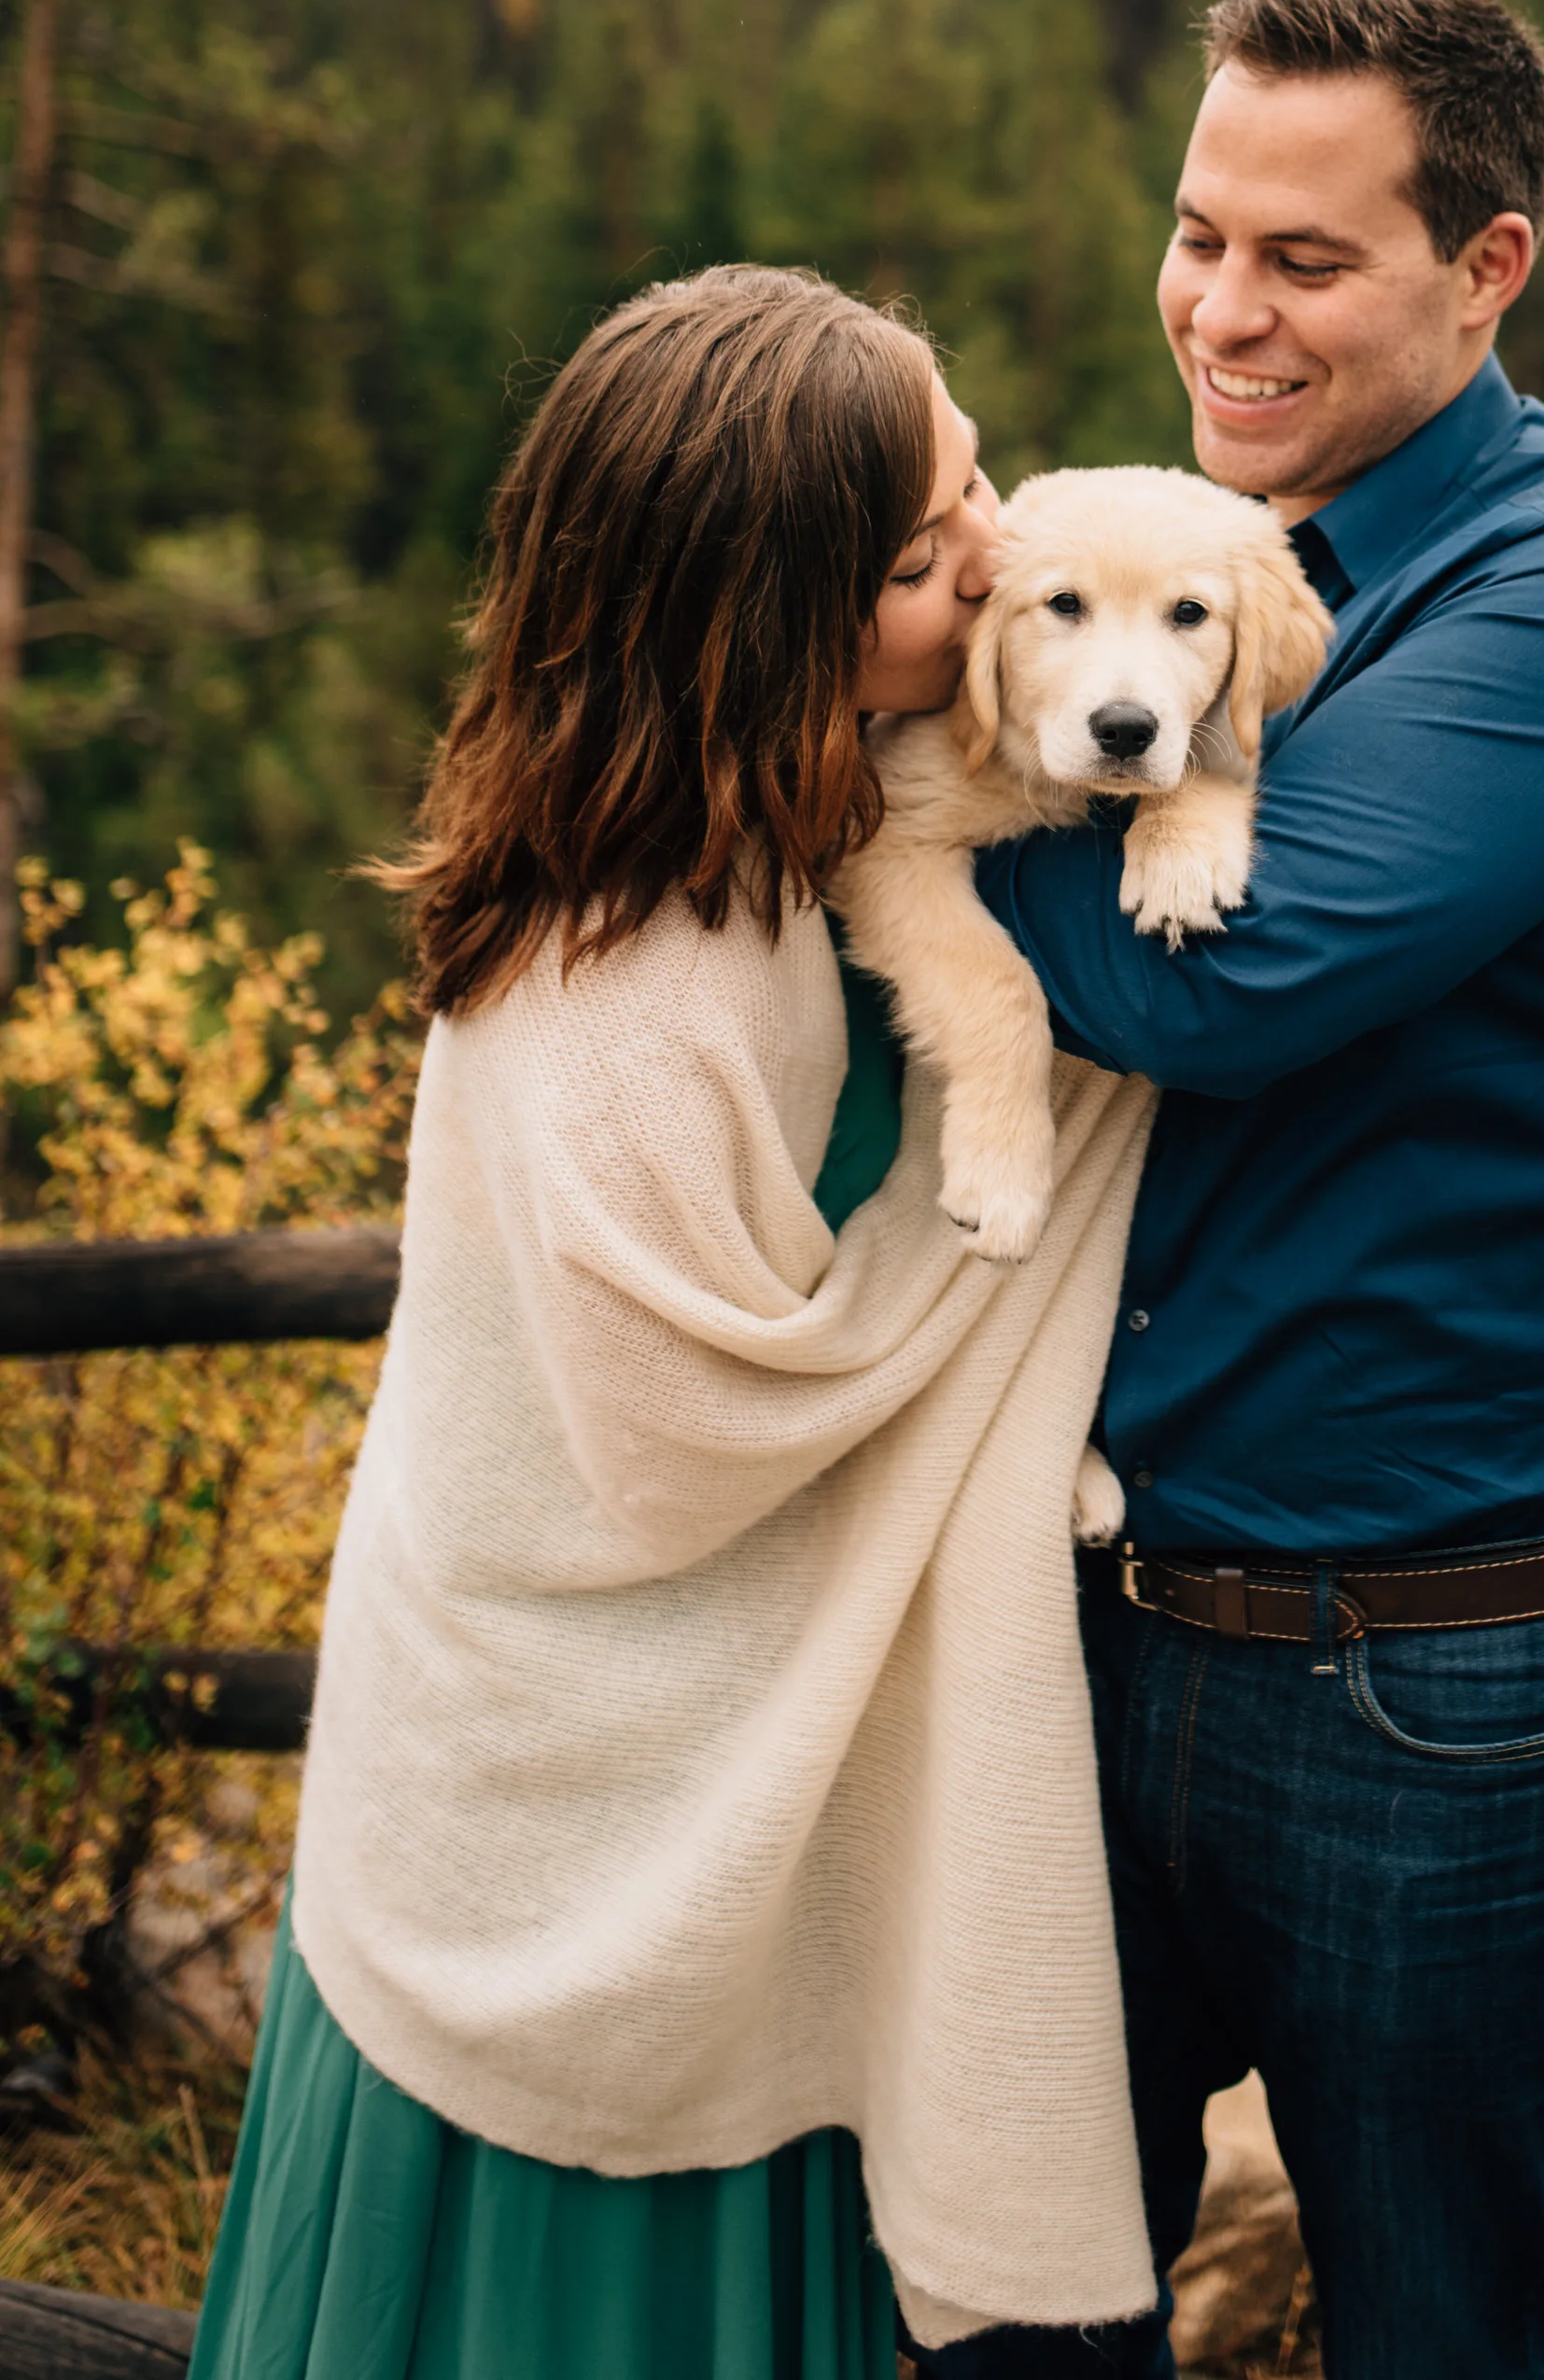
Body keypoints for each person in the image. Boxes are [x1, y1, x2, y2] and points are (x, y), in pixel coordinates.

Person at [918, 0, 1544, 2380]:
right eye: (1200, 234)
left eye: (1306, 258)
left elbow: (1214, 980)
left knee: (1433, 2333)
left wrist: (899, 790)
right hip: (1098, 1614)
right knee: (1015, 2308)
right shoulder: (1179, 554)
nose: (1223, 309)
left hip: (1442, 1662)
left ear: (1484, 266)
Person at [190, 263, 1162, 2380]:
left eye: (974, 475)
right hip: (568, 1825)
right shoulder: (637, 973)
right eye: (921, 555)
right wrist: (1072, 1125)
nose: (992, 552)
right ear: (767, 627)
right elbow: (685, 1433)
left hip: (662, 1827)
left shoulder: (794, 834)